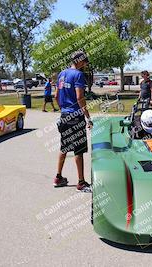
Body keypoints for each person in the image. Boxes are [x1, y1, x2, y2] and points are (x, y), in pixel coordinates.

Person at [53, 51, 93, 192]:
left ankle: (58, 177)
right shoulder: (78, 75)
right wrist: (88, 117)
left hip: (64, 116)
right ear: (79, 61)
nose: (85, 64)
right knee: (78, 150)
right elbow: (80, 98)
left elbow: (57, 95)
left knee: (64, 148)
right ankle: (81, 182)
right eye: (84, 61)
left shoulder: (61, 74)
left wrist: (63, 110)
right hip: (75, 117)